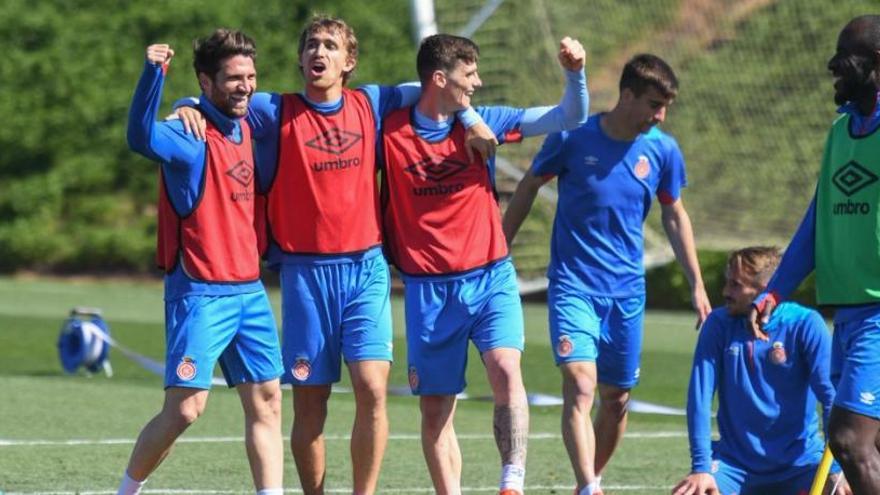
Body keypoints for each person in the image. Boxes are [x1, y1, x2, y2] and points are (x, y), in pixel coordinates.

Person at [175, 16, 495, 495]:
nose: (317, 52)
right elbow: (220, 102)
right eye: (309, 45)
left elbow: (436, 88)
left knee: (372, 389)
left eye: (329, 45)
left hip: (365, 269)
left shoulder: (372, 102)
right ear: (301, 58)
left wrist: (470, 116)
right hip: (305, 275)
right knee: (311, 405)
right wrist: (186, 105)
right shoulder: (272, 110)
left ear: (349, 61)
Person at [380, 33, 588, 495]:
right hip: (429, 289)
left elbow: (569, 116)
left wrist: (575, 73)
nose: (478, 82)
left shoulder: (487, 121)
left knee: (506, 369)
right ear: (439, 78)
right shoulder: (390, 130)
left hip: (490, 274)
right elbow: (394, 92)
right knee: (436, 411)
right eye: (468, 73)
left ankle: (512, 479)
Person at [502, 53, 711, 495]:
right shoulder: (573, 137)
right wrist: (498, 248)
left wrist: (696, 283)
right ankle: (589, 487)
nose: (660, 115)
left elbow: (674, 215)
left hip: (627, 293)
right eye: (654, 104)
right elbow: (528, 186)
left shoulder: (662, 150)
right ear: (628, 95)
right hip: (573, 286)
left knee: (616, 401)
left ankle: (588, 480)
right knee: (580, 383)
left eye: (666, 106)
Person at [118, 30, 284, 495]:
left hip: (250, 291)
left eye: (250, 76)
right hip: (201, 293)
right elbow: (139, 135)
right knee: (186, 409)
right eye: (233, 78)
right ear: (207, 81)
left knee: (268, 403)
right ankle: (126, 491)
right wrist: (155, 75)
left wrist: (190, 96)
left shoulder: (254, 121)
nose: (246, 87)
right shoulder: (187, 134)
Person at [748, 15, 880, 495]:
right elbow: (816, 221)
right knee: (868, 444)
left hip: (879, 314)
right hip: (847, 311)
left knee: (849, 439)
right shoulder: (839, 133)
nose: (834, 71)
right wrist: (775, 291)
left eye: (846, 62)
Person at [672, 247, 849, 495]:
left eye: (736, 285)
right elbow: (699, 400)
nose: (725, 292)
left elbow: (832, 399)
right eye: (727, 283)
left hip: (800, 465)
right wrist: (701, 468)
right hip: (734, 465)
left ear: (766, 289)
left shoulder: (805, 324)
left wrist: (837, 469)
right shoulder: (718, 325)